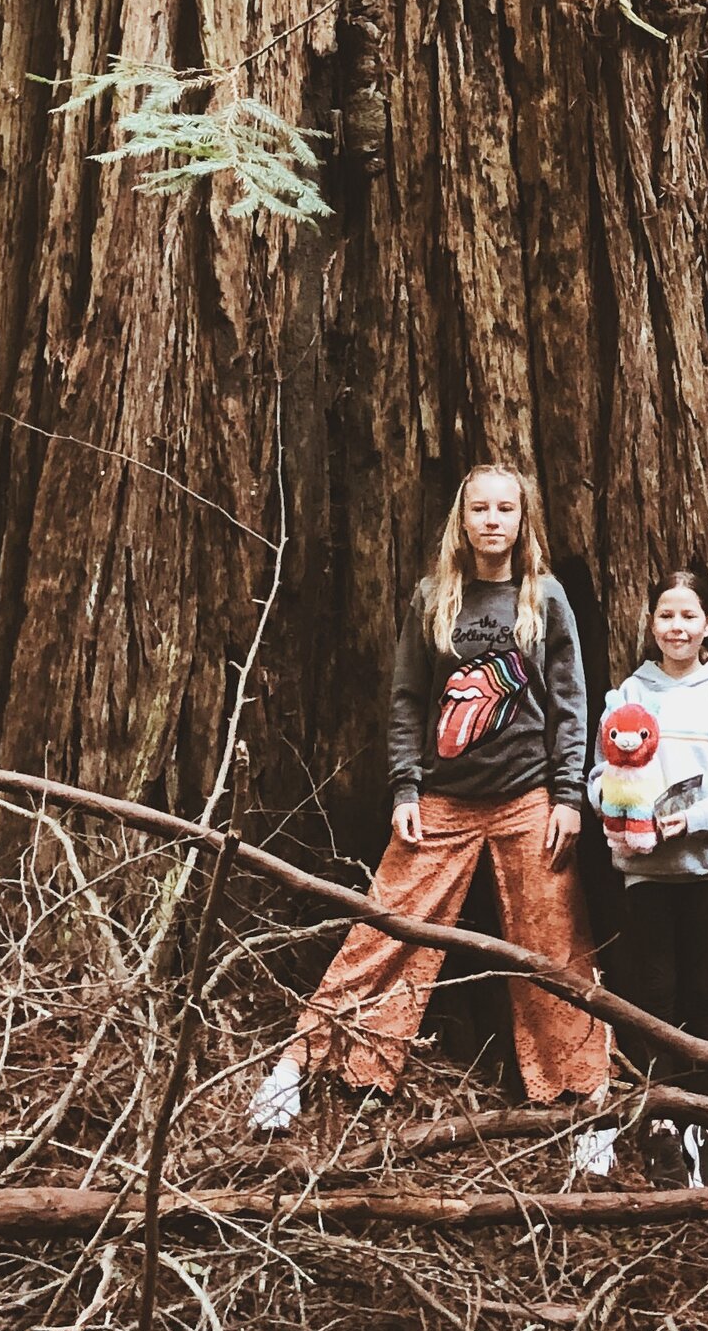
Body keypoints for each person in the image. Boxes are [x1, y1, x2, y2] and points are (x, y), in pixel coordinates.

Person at [249, 462, 613, 1167]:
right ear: (463, 518)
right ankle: (296, 1064)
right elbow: (408, 699)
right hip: (443, 799)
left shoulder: (545, 597)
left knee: (555, 947)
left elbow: (572, 704)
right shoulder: (434, 596)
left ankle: (589, 1103)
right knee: (381, 929)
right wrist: (406, 789)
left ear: (522, 518)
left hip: (527, 798)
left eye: (506, 508)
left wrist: (568, 795)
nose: (492, 520)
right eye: (480, 508)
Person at [587, 561, 708, 1186]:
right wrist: (615, 810)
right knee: (654, 992)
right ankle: (663, 1120)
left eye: (689, 616)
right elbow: (601, 775)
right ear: (651, 622)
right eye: (666, 615)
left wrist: (693, 821)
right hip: (645, 873)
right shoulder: (630, 694)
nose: (677, 627)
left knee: (705, 992)